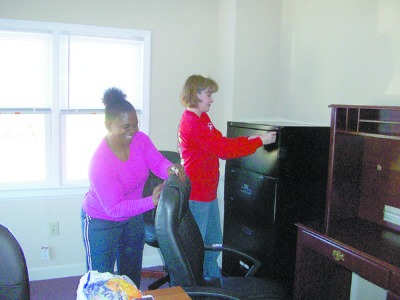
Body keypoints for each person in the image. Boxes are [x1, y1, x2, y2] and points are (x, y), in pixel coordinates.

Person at [81, 87, 185, 287]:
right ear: (108, 125)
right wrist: (151, 201)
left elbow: (158, 163)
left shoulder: (140, 140)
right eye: (125, 126)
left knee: (130, 278)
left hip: (133, 218)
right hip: (102, 221)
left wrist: (171, 169)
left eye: (135, 124)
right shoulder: (100, 162)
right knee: (101, 282)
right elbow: (114, 208)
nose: (132, 131)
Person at [178, 75, 276, 280]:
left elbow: (221, 141)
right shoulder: (192, 123)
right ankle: (194, 285)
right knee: (197, 245)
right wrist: (258, 141)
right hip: (198, 194)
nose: (211, 99)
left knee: (213, 240)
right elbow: (224, 151)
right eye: (208, 95)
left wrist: (247, 139)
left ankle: (213, 282)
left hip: (208, 192)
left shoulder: (202, 119)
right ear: (196, 94)